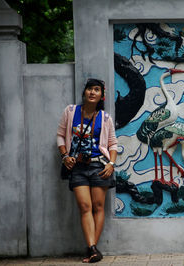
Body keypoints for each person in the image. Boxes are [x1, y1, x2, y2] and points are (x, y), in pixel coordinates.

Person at [57, 78, 117, 263]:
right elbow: (60, 136)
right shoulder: (70, 111)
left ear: (101, 95)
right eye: (90, 89)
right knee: (85, 206)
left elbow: (113, 143)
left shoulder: (105, 118)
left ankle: (92, 249)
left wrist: (111, 164)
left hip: (99, 166)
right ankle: (92, 248)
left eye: (96, 90)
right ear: (85, 92)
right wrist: (65, 156)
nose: (92, 92)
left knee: (98, 207)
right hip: (78, 167)